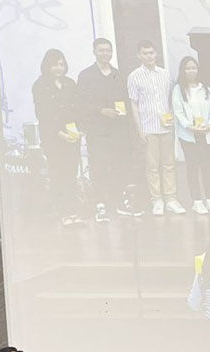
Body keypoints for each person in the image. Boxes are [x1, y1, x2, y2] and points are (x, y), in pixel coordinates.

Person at [78, 37, 140, 221]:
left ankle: (119, 201)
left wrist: (121, 113)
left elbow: (126, 101)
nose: (105, 54)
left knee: (120, 165)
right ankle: (101, 204)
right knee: (99, 166)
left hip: (118, 130)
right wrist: (101, 111)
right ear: (94, 52)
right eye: (101, 50)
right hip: (97, 131)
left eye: (108, 50)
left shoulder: (119, 75)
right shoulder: (86, 75)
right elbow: (82, 103)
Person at [127, 40, 182, 215]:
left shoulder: (165, 74)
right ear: (139, 55)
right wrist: (140, 130)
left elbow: (172, 99)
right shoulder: (134, 76)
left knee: (169, 164)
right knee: (152, 166)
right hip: (148, 128)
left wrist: (172, 119)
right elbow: (134, 105)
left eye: (151, 53)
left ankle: (171, 199)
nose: (149, 56)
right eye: (145, 53)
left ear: (156, 54)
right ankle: (156, 200)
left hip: (166, 127)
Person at [32, 49, 84, 226]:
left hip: (72, 136)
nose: (59, 68)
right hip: (54, 138)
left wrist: (80, 129)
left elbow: (78, 108)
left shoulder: (70, 83)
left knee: (71, 173)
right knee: (59, 174)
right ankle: (63, 213)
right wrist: (59, 133)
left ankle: (74, 212)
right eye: (55, 64)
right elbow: (43, 114)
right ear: (47, 65)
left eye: (62, 64)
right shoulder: (40, 86)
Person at [172, 56, 210, 214]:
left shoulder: (205, 89)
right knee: (193, 167)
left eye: (193, 68)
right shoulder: (178, 89)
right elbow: (178, 111)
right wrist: (189, 126)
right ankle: (197, 200)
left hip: (206, 134)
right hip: (189, 136)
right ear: (183, 71)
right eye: (187, 68)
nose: (191, 71)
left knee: (207, 166)